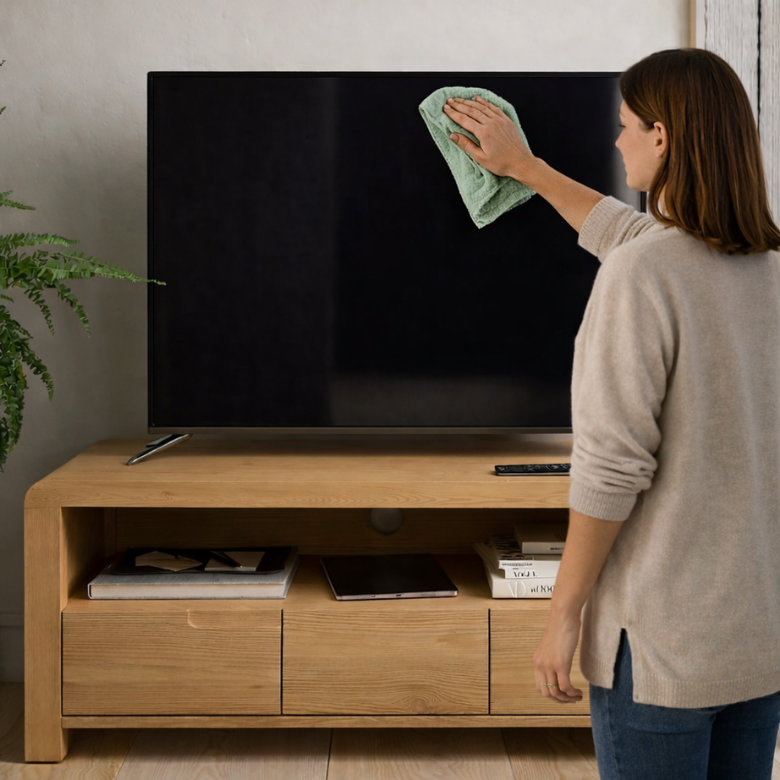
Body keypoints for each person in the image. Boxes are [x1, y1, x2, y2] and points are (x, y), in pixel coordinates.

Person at [444, 48, 780, 779]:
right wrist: (525, 167)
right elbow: (627, 234)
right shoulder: (765, 268)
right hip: (757, 643)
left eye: (626, 124)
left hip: (658, 648)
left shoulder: (643, 274)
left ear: (662, 136)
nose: (617, 140)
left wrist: (563, 614)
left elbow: (610, 471)